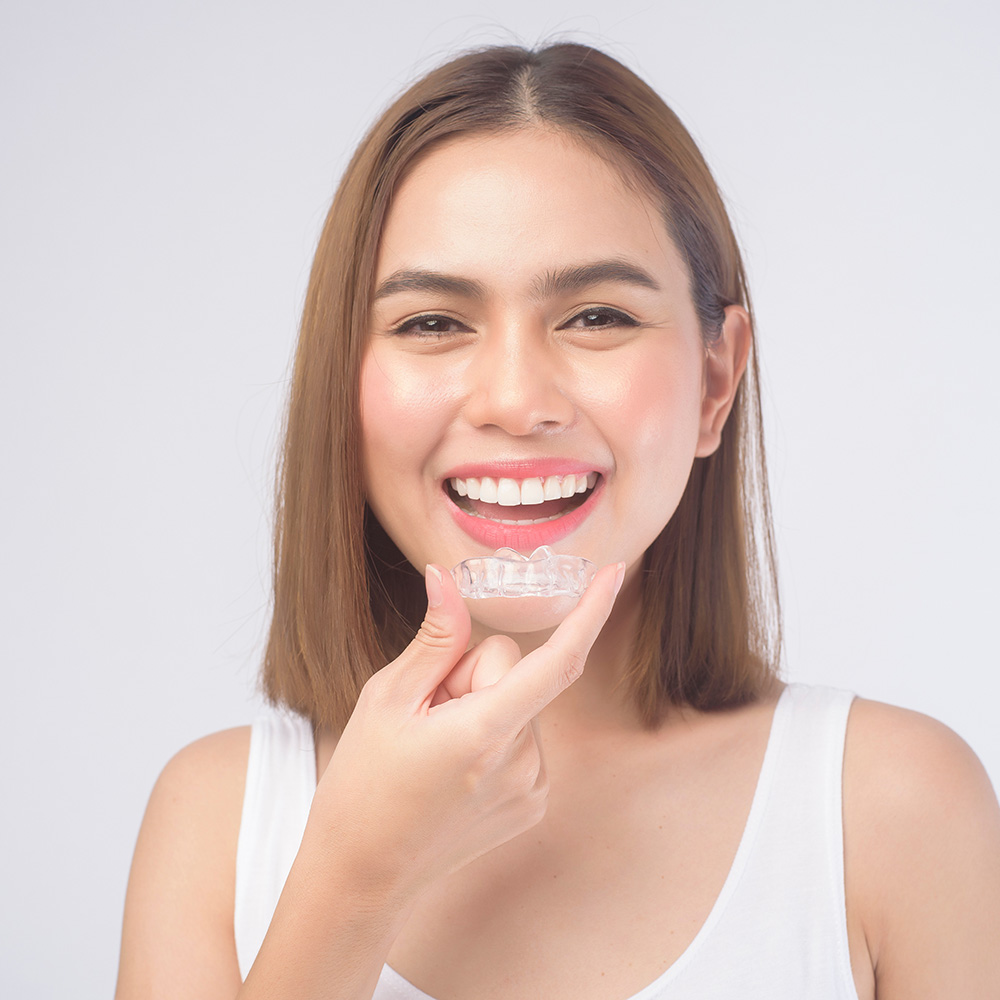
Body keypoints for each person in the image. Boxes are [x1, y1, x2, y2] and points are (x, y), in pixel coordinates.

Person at [114, 43, 1000, 999]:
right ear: (342, 381)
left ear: (715, 380)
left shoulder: (897, 810)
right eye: (432, 323)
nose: (514, 399)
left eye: (596, 316)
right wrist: (354, 880)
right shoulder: (213, 823)